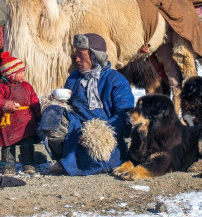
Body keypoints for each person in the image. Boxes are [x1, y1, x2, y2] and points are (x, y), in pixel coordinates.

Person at [38, 33, 134, 176]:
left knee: (99, 155)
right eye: (76, 55)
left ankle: (70, 165)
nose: (77, 59)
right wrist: (56, 102)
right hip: (76, 128)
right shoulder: (74, 77)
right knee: (52, 113)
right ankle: (63, 158)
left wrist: (98, 133)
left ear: (96, 57)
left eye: (81, 56)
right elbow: (68, 104)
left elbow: (125, 114)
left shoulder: (116, 80)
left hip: (104, 134)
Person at [0, 52, 41, 176]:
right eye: (20, 72)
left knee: (27, 142)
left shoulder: (27, 86)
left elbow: (34, 100)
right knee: (8, 144)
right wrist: (6, 105)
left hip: (26, 120)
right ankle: (8, 166)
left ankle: (29, 164)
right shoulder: (1, 87)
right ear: (10, 74)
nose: (23, 75)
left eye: (23, 71)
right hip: (9, 121)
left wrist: (38, 113)